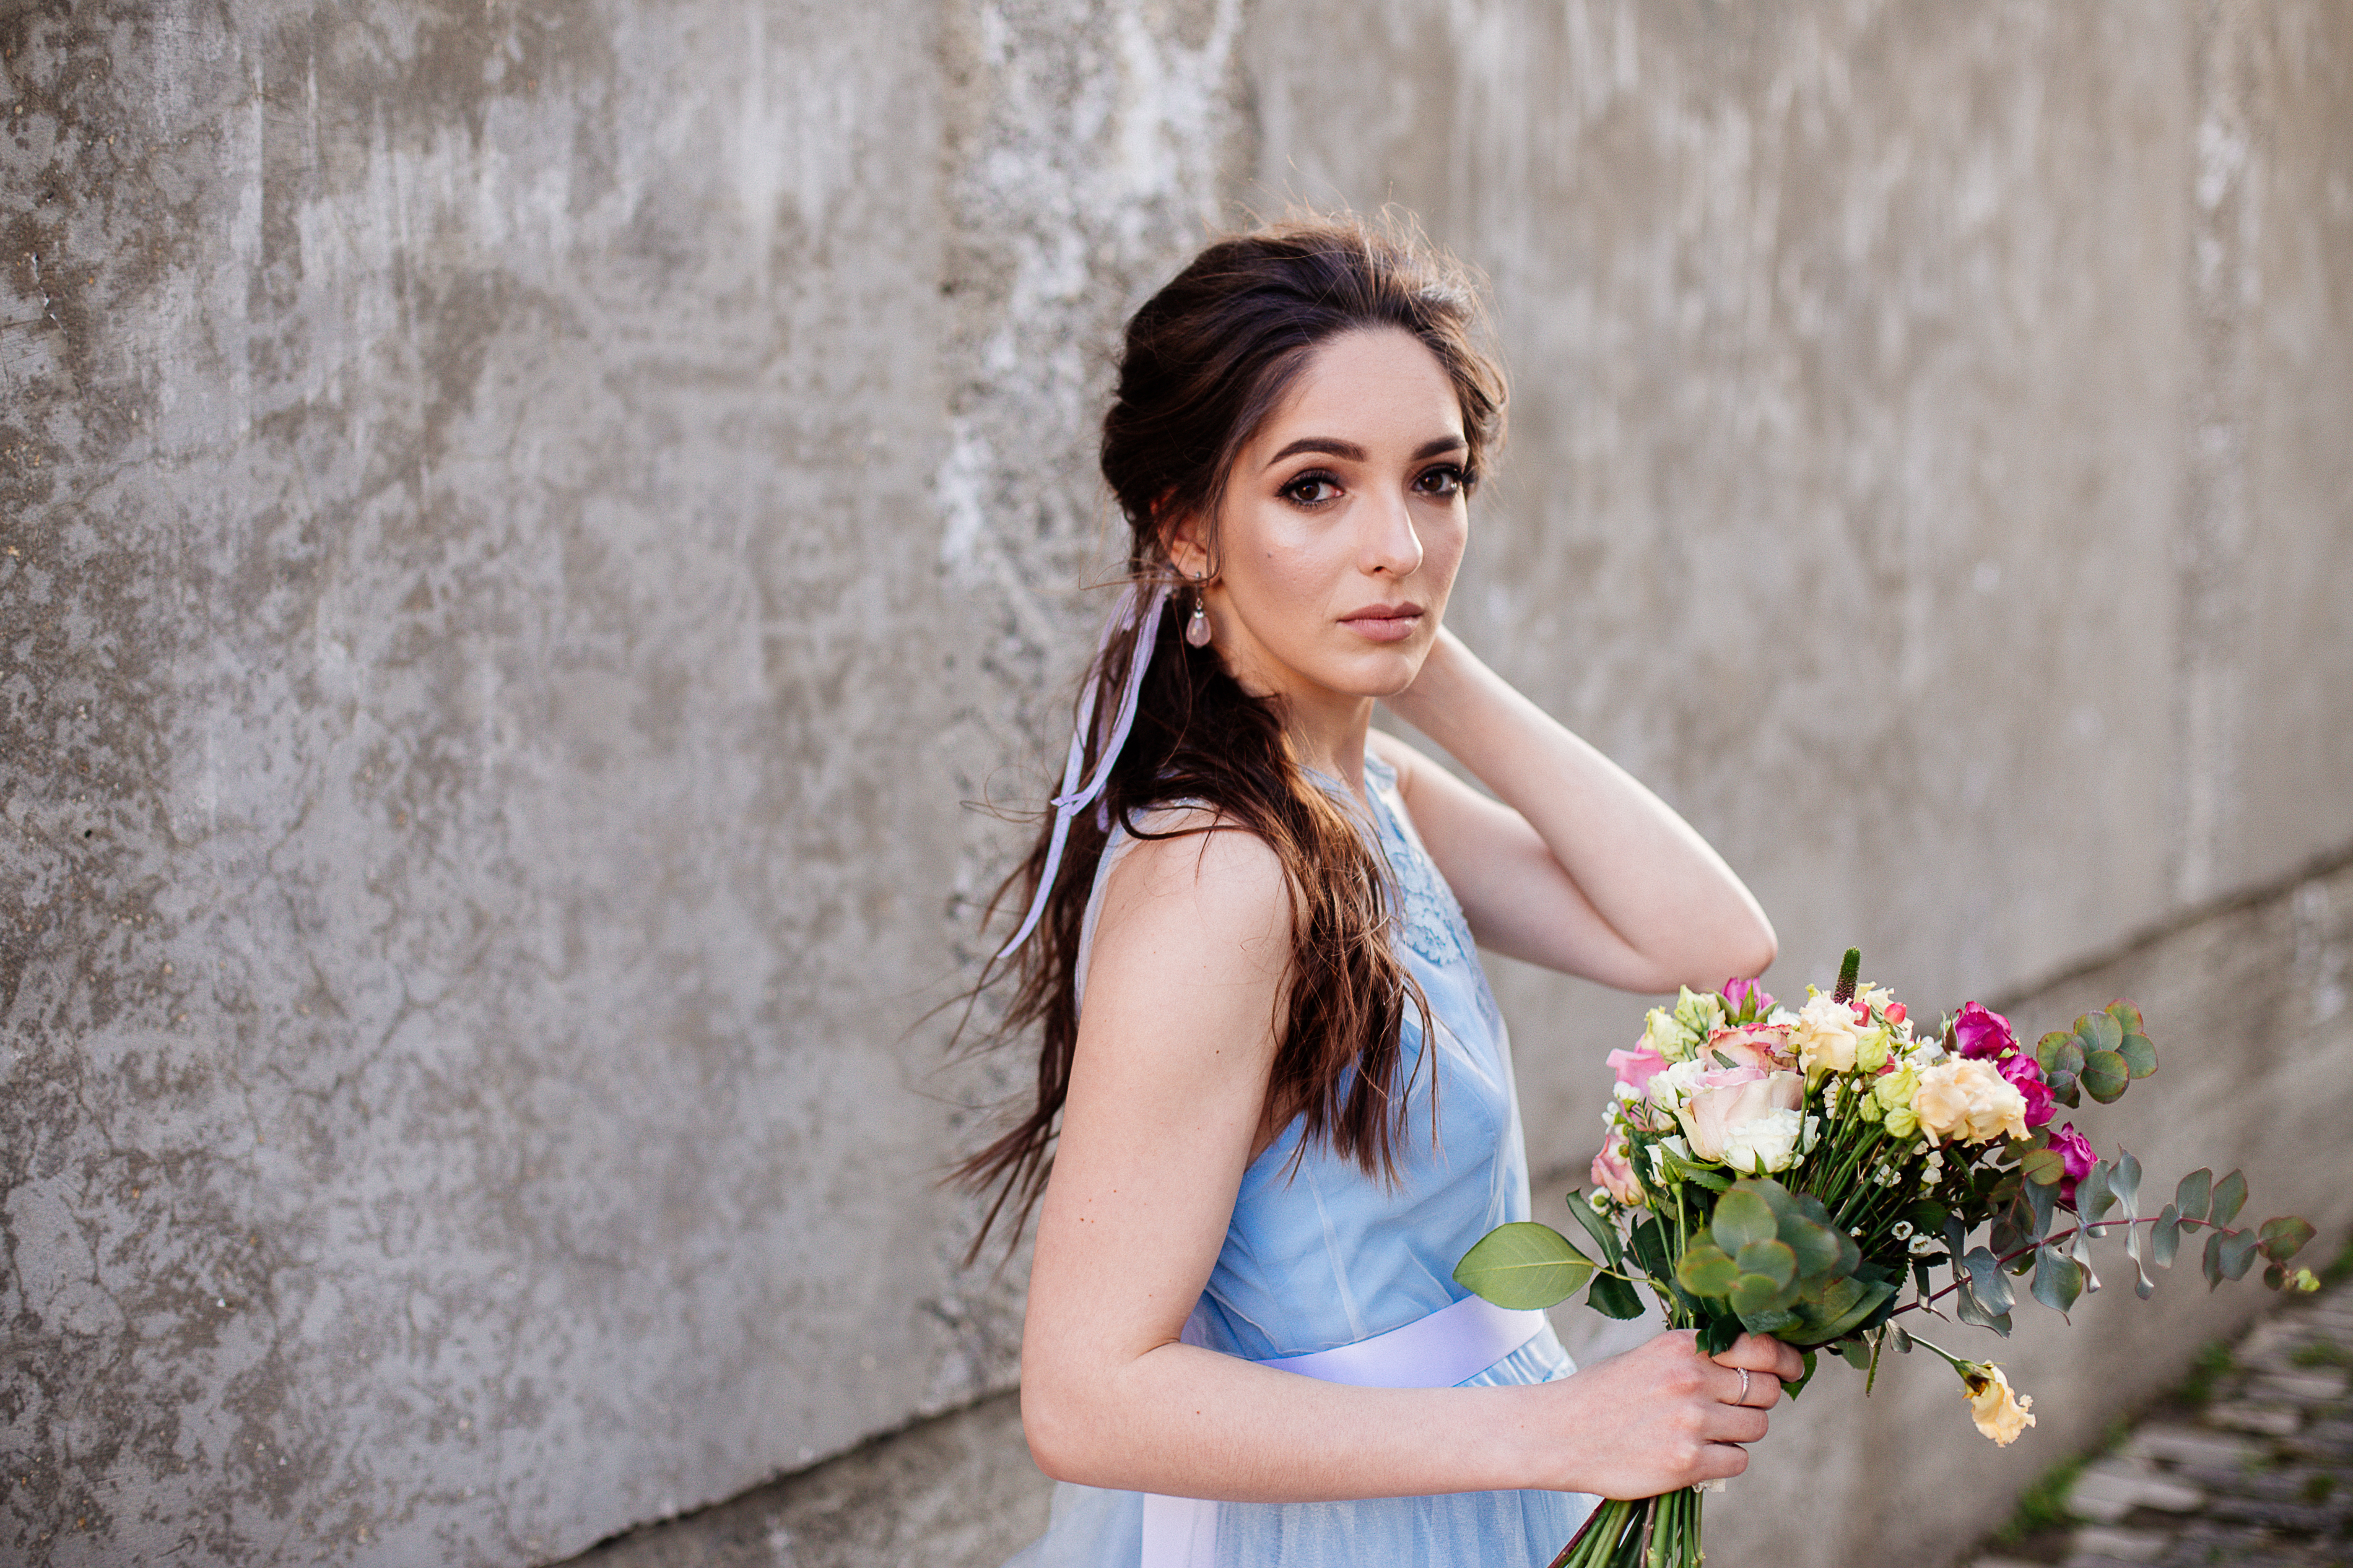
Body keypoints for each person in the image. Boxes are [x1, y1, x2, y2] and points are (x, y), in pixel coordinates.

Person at [958, 214, 1800, 1568]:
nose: (1398, 542)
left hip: (1471, 1494)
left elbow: (1705, 935)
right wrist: (1560, 1433)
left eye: (1436, 480)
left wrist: (1410, 647)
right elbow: (1086, 1395)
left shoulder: (1370, 795)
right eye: (1314, 487)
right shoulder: (1222, 874)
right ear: (1185, 525)